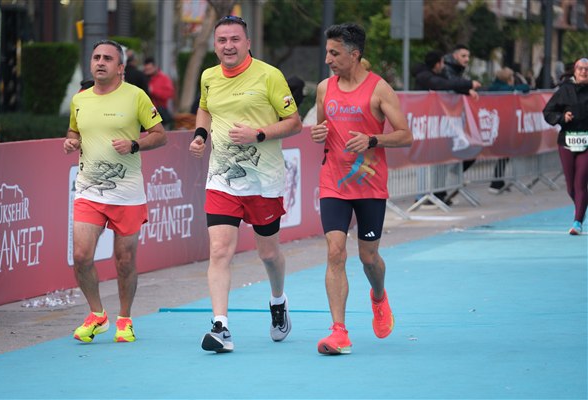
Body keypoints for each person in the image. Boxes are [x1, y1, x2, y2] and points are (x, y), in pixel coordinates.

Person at [188, 15, 302, 353]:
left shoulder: (269, 75)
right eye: (222, 40)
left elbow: (294, 122)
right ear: (215, 45)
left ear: (248, 43)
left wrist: (258, 134)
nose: (228, 46)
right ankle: (220, 326)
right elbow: (204, 109)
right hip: (222, 179)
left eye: (235, 39)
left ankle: (278, 300)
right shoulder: (209, 76)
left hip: (264, 180)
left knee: (268, 254)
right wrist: (200, 135)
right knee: (220, 250)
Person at [311, 23, 413, 355]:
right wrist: (318, 133)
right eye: (327, 52)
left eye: (334, 53)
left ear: (354, 54)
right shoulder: (324, 88)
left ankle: (379, 297)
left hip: (369, 184)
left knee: (369, 258)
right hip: (333, 182)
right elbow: (323, 128)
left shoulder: (379, 89)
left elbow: (405, 135)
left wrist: (372, 140)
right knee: (335, 251)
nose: (328, 59)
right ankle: (339, 331)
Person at [63, 39, 167, 343]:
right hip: (89, 191)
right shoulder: (80, 99)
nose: (100, 62)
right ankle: (97, 314)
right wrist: (71, 141)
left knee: (124, 260)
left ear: (120, 67)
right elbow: (74, 130)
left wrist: (134, 144)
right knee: (81, 256)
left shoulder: (136, 96)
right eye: (96, 57)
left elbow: (160, 135)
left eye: (107, 58)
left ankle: (124, 318)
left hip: (127, 193)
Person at [412, 50, 479, 206]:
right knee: (425, 162)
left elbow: (450, 84)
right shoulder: (425, 77)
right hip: (426, 124)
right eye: (441, 62)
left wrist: (466, 89)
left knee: (440, 158)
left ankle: (439, 192)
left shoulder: (437, 75)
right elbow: (443, 84)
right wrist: (469, 85)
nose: (443, 66)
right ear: (437, 64)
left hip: (438, 124)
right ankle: (423, 195)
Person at [543, 57, 588, 235]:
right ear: (574, 71)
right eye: (580, 68)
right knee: (570, 187)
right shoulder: (565, 90)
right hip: (567, 142)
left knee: (580, 182)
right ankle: (581, 206)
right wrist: (562, 118)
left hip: (587, 143)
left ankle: (577, 222)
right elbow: (548, 111)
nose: (584, 71)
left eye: (587, 69)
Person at [487, 67, 531, 193]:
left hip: (499, 123)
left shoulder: (495, 87)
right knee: (504, 152)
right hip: (499, 124)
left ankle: (498, 181)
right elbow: (524, 87)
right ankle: (496, 182)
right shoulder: (502, 89)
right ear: (509, 79)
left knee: (505, 153)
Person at [143, 56, 175, 129]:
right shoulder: (143, 78)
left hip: (159, 111)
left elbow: (169, 94)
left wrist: (153, 91)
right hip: (146, 112)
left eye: (150, 69)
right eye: (146, 70)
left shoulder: (163, 78)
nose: (148, 72)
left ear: (155, 67)